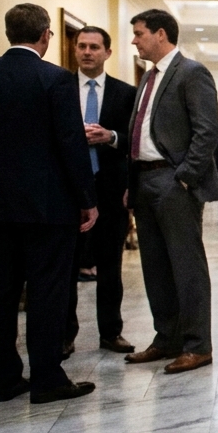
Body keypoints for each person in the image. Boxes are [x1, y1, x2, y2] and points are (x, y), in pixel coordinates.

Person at [0, 3, 98, 404]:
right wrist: (86, 199)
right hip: (48, 208)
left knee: (1, 292)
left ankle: (5, 379)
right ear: (45, 35)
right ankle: (48, 377)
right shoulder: (55, 79)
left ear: (8, 33)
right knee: (46, 293)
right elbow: (70, 144)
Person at [123, 8, 218, 374]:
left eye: (139, 33)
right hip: (144, 181)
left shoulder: (191, 73)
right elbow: (143, 130)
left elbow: (207, 130)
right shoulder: (149, 78)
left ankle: (198, 345)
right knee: (155, 267)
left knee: (186, 266)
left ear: (160, 34)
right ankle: (166, 339)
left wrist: (184, 177)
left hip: (173, 182)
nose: (134, 40)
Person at [64, 26, 136, 357]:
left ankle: (111, 332)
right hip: (68, 191)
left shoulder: (125, 93)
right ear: (74, 50)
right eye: (82, 46)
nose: (87, 52)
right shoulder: (59, 88)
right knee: (66, 267)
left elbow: (134, 142)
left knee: (110, 265)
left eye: (94, 47)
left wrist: (112, 137)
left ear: (107, 52)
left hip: (110, 189)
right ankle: (65, 334)